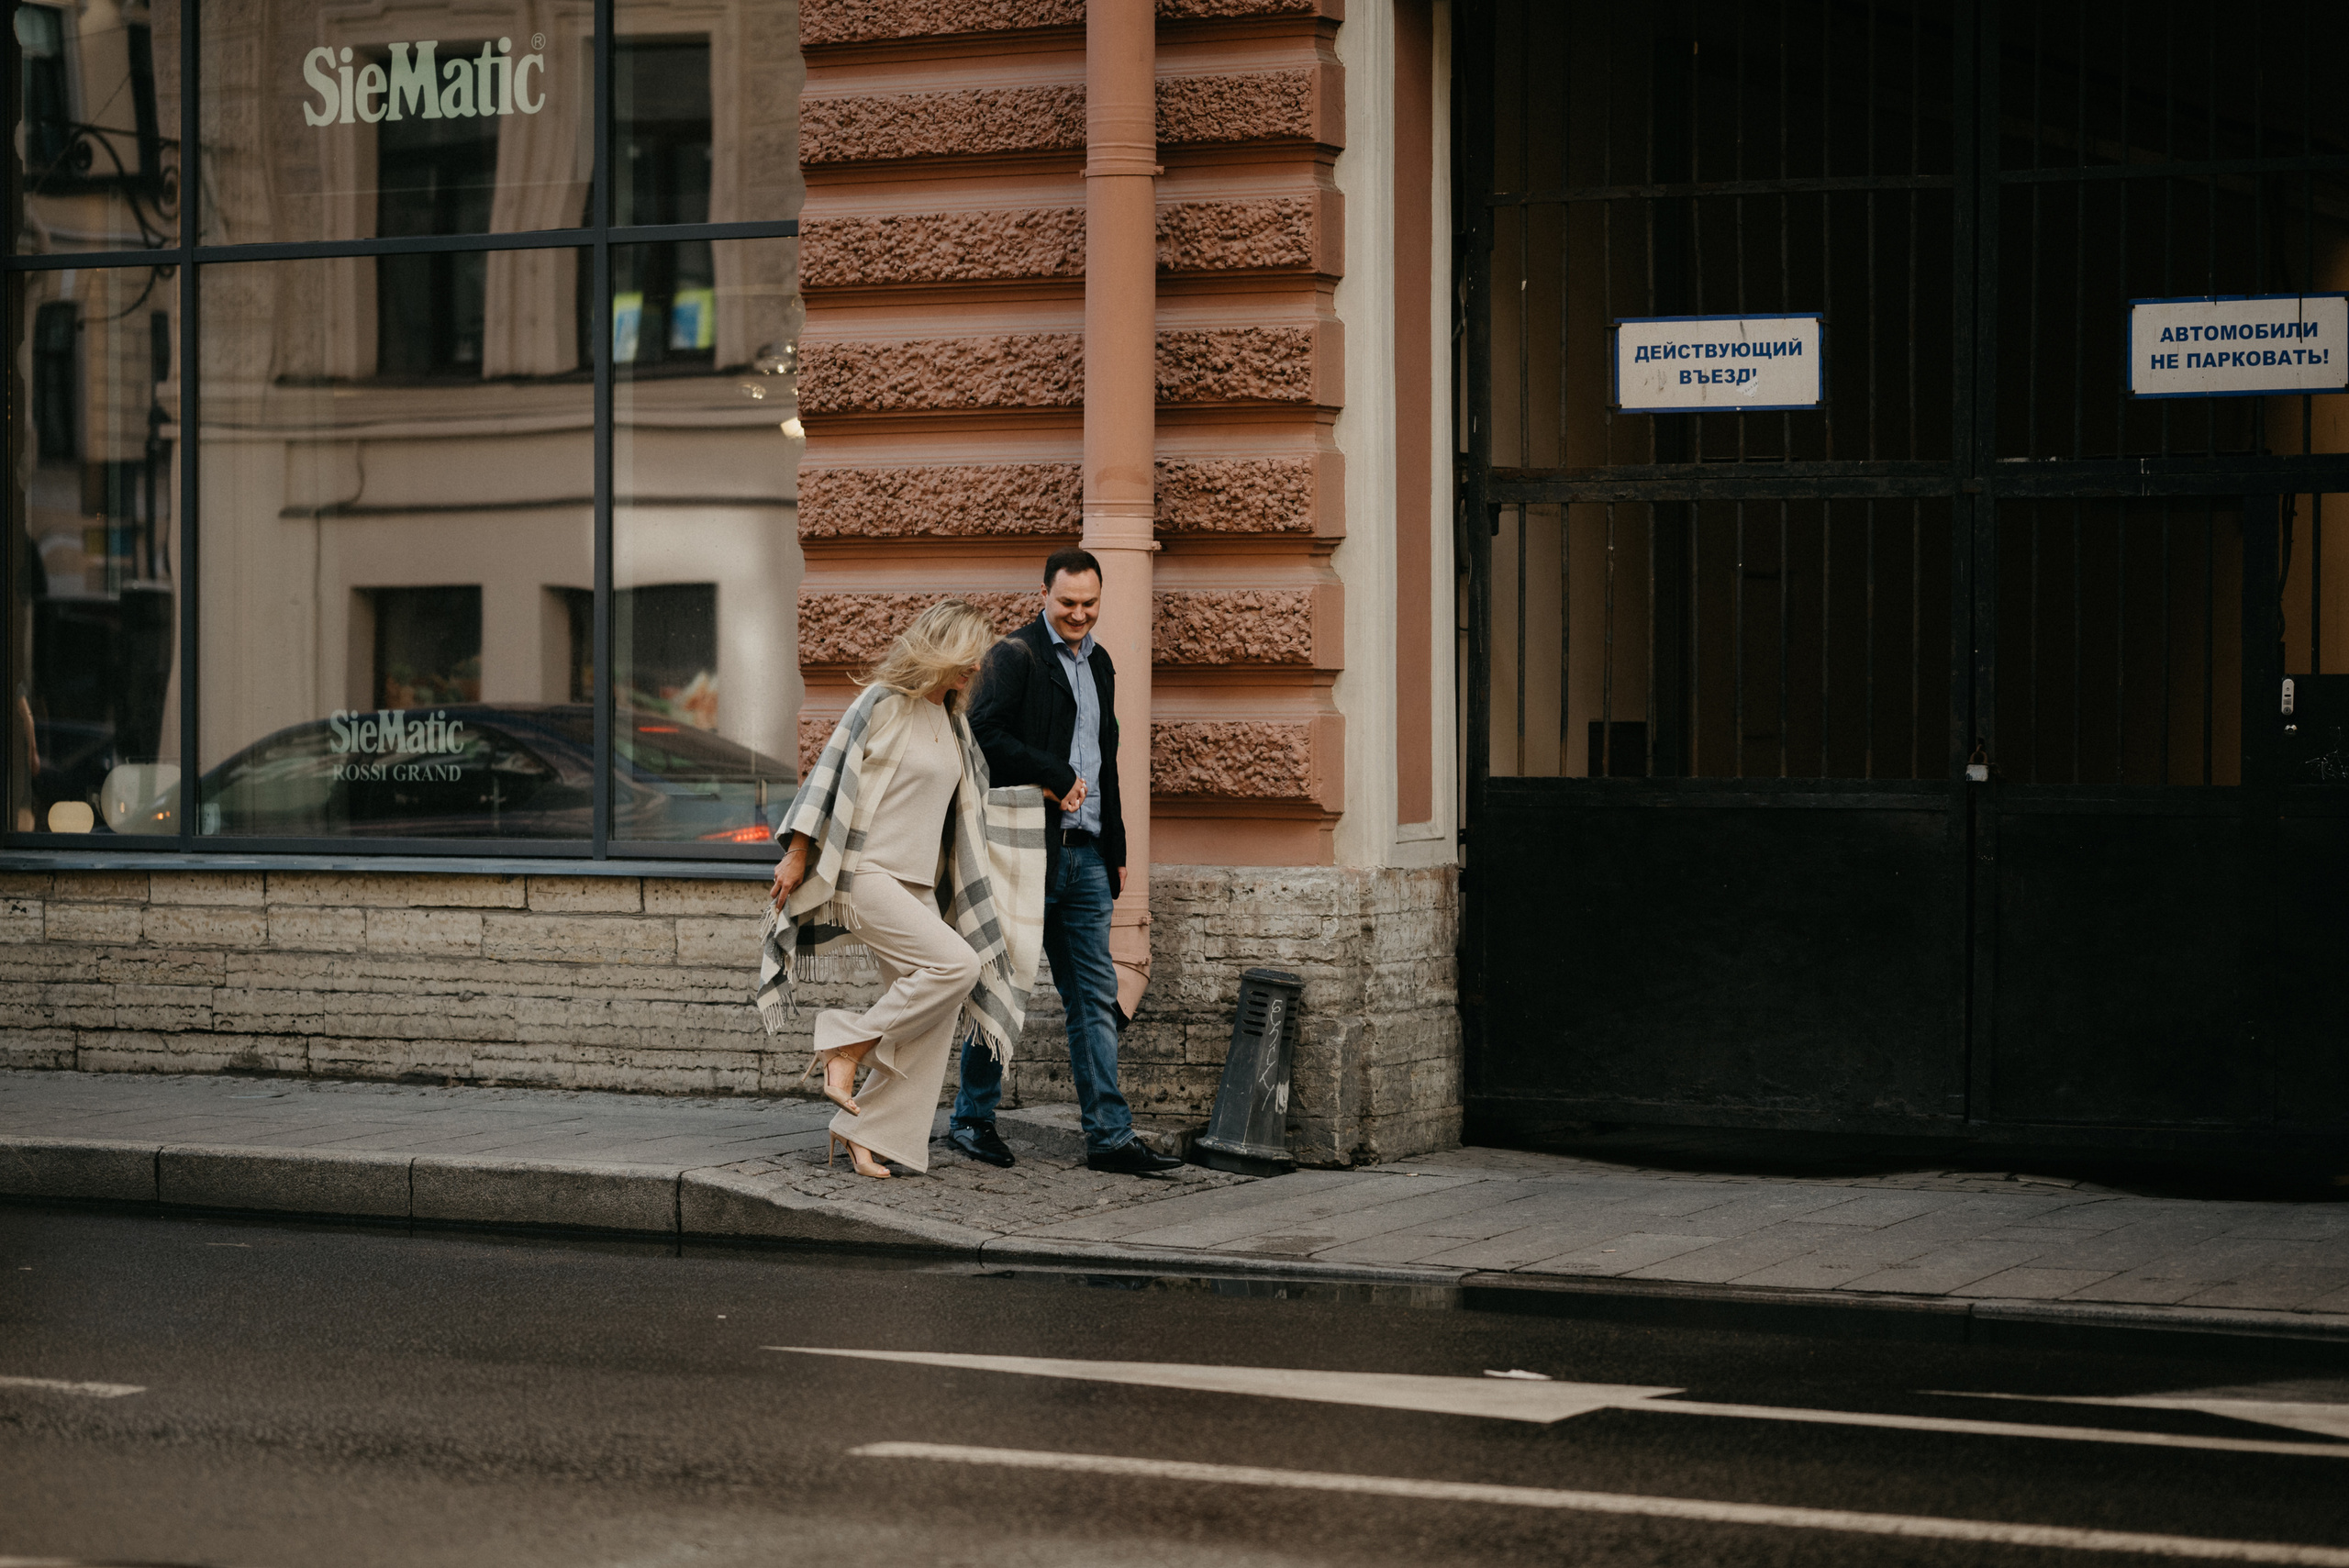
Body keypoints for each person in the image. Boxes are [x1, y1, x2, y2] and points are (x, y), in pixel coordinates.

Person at [762, 599, 1044, 1179]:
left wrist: (1044, 790)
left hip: (917, 887)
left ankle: (866, 1131)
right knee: (957, 967)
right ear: (939, 648)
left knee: (933, 1017)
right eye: (968, 656)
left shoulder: (955, 723)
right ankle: (844, 1045)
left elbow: (970, 808)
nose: (976, 669)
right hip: (865, 875)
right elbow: (829, 776)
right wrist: (797, 853)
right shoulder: (883, 703)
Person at [949, 549, 1184, 1175]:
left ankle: (1109, 1137)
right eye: (1067, 603)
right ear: (1044, 595)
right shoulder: (1015, 655)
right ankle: (972, 1118)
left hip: (1089, 857)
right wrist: (1051, 772)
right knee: (1003, 987)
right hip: (1026, 854)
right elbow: (979, 733)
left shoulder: (1100, 663)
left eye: (1089, 603)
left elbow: (1107, 762)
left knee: (1095, 998)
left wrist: (1118, 848)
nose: (1079, 614)